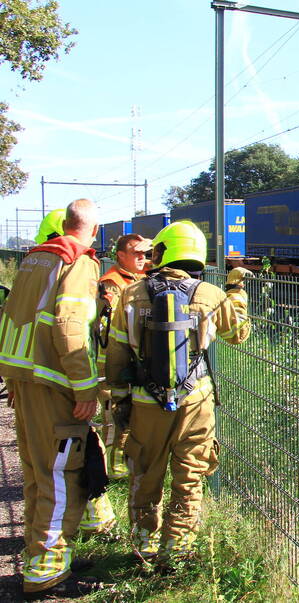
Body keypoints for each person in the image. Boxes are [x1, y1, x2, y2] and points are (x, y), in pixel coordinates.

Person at [104, 220, 252, 563]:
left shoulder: (132, 294)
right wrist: (237, 292)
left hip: (145, 401)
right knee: (189, 476)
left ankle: (144, 545)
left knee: (144, 473)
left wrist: (120, 400)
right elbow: (238, 334)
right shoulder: (209, 295)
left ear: (163, 252)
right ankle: (177, 549)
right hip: (195, 401)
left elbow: (115, 354)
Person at [0, 199, 108, 598]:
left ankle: (40, 555)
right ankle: (46, 567)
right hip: (55, 386)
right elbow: (69, 325)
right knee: (61, 476)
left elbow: (9, 314)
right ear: (93, 230)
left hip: (26, 382)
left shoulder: (34, 260)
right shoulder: (78, 262)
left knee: (35, 474)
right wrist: (85, 388)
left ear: (64, 224)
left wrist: (12, 375)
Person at [96, 234, 152, 480]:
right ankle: (111, 474)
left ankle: (125, 468)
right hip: (112, 363)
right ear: (120, 256)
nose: (143, 258)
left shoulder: (145, 276)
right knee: (114, 417)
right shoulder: (112, 283)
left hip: (135, 362)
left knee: (134, 419)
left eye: (145, 254)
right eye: (136, 254)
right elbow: (113, 327)